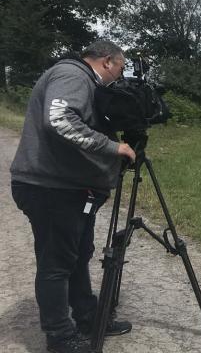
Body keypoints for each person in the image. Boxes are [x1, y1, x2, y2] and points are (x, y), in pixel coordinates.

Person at [10, 40, 137, 353]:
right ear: (108, 61)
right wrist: (113, 147)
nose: (118, 77)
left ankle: (87, 317)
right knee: (57, 263)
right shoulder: (73, 74)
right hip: (50, 187)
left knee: (78, 254)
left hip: (64, 186)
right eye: (120, 69)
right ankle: (60, 337)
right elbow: (60, 120)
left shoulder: (75, 75)